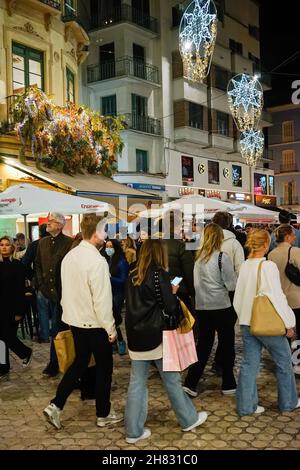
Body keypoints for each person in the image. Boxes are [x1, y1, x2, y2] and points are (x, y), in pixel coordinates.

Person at [125, 239, 208, 443]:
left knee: (137, 383)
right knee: (171, 381)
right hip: (157, 336)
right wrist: (171, 292)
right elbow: (171, 308)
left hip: (136, 336)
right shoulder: (159, 274)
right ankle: (188, 419)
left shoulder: (133, 274)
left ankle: (133, 431)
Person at [43, 214, 121, 430]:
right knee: (105, 368)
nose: (106, 235)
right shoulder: (97, 261)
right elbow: (102, 300)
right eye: (104, 230)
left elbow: (64, 291)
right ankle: (103, 413)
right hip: (95, 323)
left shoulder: (71, 256)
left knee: (79, 363)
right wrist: (111, 329)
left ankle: (56, 405)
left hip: (75, 321)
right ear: (96, 233)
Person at [233, 229, 300, 416]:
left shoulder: (244, 265)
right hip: (267, 324)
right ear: (265, 245)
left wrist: (243, 317)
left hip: (247, 322)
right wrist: (289, 322)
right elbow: (276, 297)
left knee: (248, 365)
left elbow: (237, 298)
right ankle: (288, 402)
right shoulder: (267, 266)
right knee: (284, 363)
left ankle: (246, 406)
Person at [183, 223, 237, 397]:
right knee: (227, 343)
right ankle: (228, 382)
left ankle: (191, 382)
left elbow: (196, 285)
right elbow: (231, 284)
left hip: (203, 307)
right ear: (219, 237)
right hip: (221, 306)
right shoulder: (222, 257)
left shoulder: (198, 258)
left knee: (204, 345)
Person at [35, 213, 72, 376]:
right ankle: (56, 361)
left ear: (60, 225)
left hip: (62, 293)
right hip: (45, 292)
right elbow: (37, 265)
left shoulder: (69, 243)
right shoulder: (42, 243)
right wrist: (40, 285)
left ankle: (55, 362)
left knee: (57, 327)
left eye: (51, 222)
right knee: (51, 327)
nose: (48, 224)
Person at [268, 224, 300, 374]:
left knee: (285, 334)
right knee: (297, 332)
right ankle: (297, 363)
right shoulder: (296, 252)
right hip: (296, 298)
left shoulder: (271, 254)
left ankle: (284, 362)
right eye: (293, 235)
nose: (295, 237)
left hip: (280, 300)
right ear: (287, 236)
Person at [0, 236, 32, 378]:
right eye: (1, 245)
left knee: (7, 336)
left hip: (13, 307)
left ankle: (25, 352)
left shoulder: (18, 265)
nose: (4, 247)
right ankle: (3, 366)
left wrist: (20, 311)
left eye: (7, 245)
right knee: (1, 339)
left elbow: (20, 290)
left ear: (12, 247)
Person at [102, 239, 129, 355]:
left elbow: (123, 280)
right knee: (110, 318)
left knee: (115, 319)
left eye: (110, 246)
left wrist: (109, 278)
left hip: (117, 294)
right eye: (106, 246)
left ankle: (120, 341)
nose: (108, 249)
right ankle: (114, 342)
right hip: (108, 293)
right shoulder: (107, 260)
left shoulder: (121, 262)